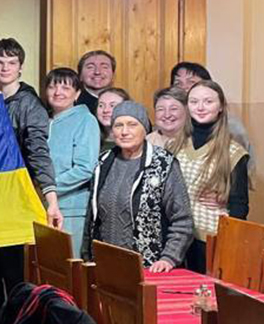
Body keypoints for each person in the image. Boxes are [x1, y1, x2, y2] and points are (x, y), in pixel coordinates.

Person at [0, 38, 62, 324]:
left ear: (20, 68)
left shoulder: (30, 105)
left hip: (15, 206)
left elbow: (39, 153)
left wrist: (51, 200)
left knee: (16, 283)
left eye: (11, 63)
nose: (5, 68)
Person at [82, 101, 193, 272]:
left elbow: (182, 219)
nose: (124, 131)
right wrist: (87, 256)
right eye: (118, 125)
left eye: (132, 124)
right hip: (106, 264)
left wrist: (169, 258)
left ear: (145, 129)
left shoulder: (163, 164)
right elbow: (92, 217)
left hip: (149, 267)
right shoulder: (103, 163)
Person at [175, 80, 249, 273]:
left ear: (221, 107)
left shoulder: (232, 152)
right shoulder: (175, 146)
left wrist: (230, 240)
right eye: (194, 101)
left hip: (210, 240)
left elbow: (240, 206)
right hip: (176, 238)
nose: (200, 107)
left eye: (208, 101)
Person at [45, 67, 100, 255]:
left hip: (71, 208)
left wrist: (48, 188)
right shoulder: (42, 120)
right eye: (52, 87)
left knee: (67, 267)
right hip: (40, 205)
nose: (58, 92)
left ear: (77, 94)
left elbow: (85, 168)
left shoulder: (85, 120)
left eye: (66, 88)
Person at [170, 62, 254, 172]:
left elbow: (244, 167)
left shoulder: (231, 125)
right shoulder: (170, 121)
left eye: (191, 82)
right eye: (178, 83)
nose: (184, 88)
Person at [147, 87, 189, 152]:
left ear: (187, 111)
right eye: (160, 109)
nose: (167, 115)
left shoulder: (196, 141)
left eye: (173, 109)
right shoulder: (146, 143)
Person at [75, 50, 116, 115]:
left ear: (113, 75)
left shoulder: (122, 104)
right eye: (90, 67)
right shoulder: (72, 106)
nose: (97, 72)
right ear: (80, 76)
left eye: (104, 67)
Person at [96, 88, 130, 152]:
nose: (105, 110)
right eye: (101, 105)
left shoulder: (134, 143)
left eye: (112, 106)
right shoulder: (91, 139)